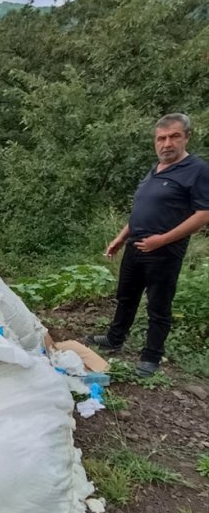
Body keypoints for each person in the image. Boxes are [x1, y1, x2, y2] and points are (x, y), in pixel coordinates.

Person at [87, 113, 209, 376]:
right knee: (126, 296)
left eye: (174, 136)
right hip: (135, 246)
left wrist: (162, 240)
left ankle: (151, 357)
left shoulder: (197, 170)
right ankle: (114, 339)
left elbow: (203, 214)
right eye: (161, 138)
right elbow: (142, 210)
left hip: (164, 250)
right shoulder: (154, 170)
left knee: (158, 305)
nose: (167, 143)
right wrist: (120, 238)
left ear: (187, 137)